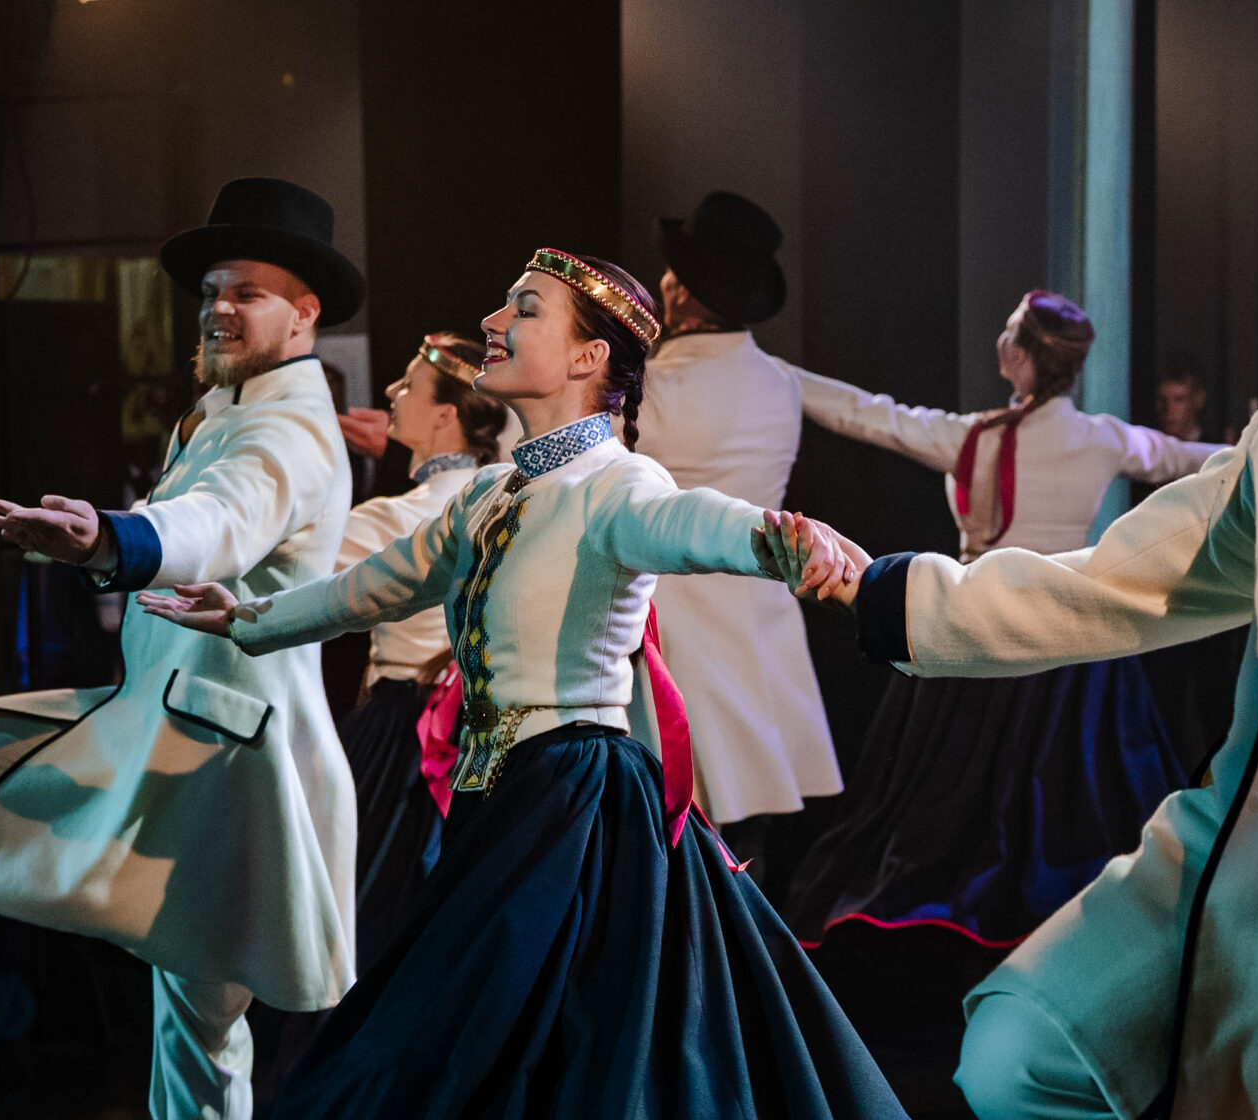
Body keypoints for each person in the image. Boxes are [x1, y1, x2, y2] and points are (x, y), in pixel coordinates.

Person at [138, 249, 906, 1118]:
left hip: (574, 803)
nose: (494, 322)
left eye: (524, 309)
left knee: (497, 1049)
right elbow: (370, 588)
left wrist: (779, 538)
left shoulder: (617, 482)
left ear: (588, 357)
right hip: (497, 795)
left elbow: (692, 522)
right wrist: (247, 616)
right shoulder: (489, 495)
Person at [0, 177, 363, 1120]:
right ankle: (115, 890)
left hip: (222, 761)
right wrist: (99, 542)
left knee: (200, 1026)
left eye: (247, 293)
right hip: (168, 729)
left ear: (304, 314)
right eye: (212, 292)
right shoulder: (233, 409)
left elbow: (217, 523)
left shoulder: (285, 426)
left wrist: (111, 540)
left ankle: (116, 890)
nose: (219, 308)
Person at [770, 365, 1258, 1120]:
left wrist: (781, 377)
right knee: (1013, 1054)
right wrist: (881, 590)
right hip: (1227, 839)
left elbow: (880, 415)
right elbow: (1125, 574)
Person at [786, 291, 1227, 947]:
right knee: (1066, 797)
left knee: (959, 798)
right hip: (1071, 641)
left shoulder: (975, 435)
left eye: (1009, 333)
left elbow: (868, 415)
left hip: (979, 626)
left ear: (1018, 356)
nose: (1001, 342)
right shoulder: (1100, 437)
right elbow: (1191, 459)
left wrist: (773, 373)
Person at [247, 333, 508, 1107]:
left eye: (407, 385)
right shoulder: (508, 492)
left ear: (447, 417)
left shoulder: (401, 515)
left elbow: (273, 567)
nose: (390, 393)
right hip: (487, 730)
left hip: (406, 735)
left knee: (351, 922)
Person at [633, 191, 840, 887]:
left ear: (683, 292)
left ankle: (705, 949)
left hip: (678, 619)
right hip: (761, 615)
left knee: (681, 821)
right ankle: (753, 946)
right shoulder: (780, 383)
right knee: (749, 820)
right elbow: (889, 418)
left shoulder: (649, 388)